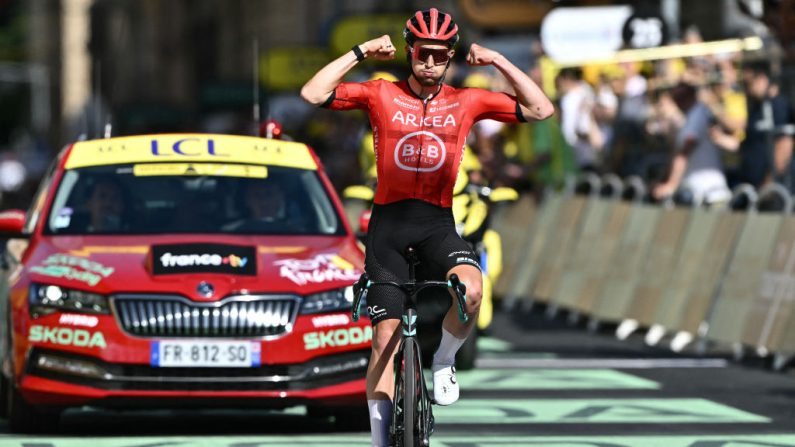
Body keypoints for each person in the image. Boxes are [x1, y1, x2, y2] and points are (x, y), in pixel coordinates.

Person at [300, 8, 553, 446]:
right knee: (385, 338)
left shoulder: (466, 100)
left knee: (472, 290)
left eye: (439, 55)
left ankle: (445, 359)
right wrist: (361, 51)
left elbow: (541, 108)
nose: (430, 63)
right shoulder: (382, 94)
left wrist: (496, 60)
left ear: (451, 56)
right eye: (422, 53)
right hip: (389, 228)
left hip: (437, 223)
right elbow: (312, 92)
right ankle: (381, 440)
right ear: (409, 52)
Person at [652, 82, 731, 205]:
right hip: (695, 193)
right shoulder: (689, 117)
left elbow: (684, 152)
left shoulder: (698, 114)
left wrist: (671, 184)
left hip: (710, 193)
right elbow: (676, 153)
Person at [224, 180, 288, 232]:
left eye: (269, 194)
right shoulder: (228, 232)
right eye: (256, 195)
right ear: (247, 200)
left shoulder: (295, 234)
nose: (263, 201)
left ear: (280, 198)